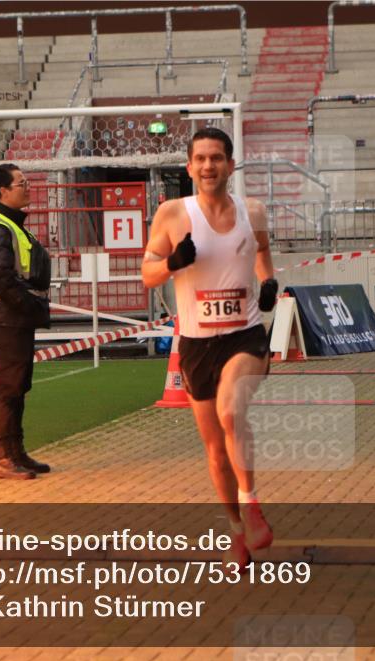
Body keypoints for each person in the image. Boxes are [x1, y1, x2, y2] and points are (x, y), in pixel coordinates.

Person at [142, 127, 280, 570]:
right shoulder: (171, 214)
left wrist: (268, 282)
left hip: (245, 336)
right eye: (200, 159)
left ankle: (251, 504)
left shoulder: (252, 211)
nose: (208, 166)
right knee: (216, 451)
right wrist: (172, 262)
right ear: (189, 167)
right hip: (197, 344)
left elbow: (262, 250)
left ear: (230, 165)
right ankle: (237, 531)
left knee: (230, 411)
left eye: (216, 158)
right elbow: (147, 273)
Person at [0, 163, 52, 480]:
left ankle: (16, 452)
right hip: (8, 316)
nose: (28, 187)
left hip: (15, 316)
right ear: (3, 191)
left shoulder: (13, 225)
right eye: (21, 183)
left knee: (18, 385)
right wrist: (27, 304)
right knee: (8, 387)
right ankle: (3, 458)